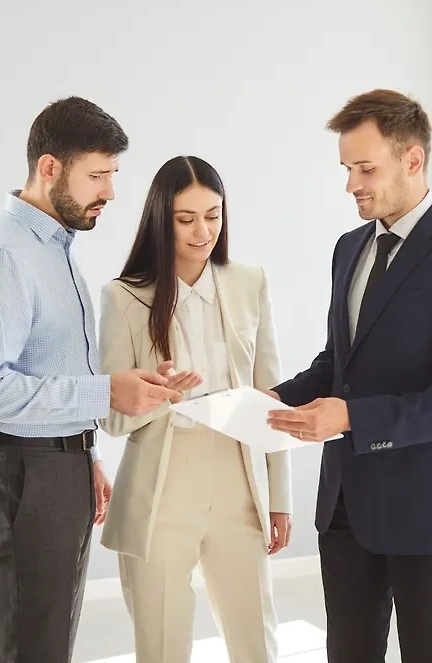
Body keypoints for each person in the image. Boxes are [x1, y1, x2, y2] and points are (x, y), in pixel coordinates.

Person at [266, 89, 432, 662]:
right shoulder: (349, 248)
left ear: (413, 160)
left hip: (428, 507)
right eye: (347, 169)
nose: (352, 184)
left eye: (366, 168)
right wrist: (274, 398)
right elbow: (339, 364)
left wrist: (352, 417)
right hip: (347, 504)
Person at [0, 96, 191, 663]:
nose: (109, 191)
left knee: (49, 643)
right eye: (98, 175)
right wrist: (107, 392)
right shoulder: (3, 256)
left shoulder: (54, 250)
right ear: (50, 168)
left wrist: (85, 454)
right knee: (36, 648)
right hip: (24, 475)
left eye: (113, 175)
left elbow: (47, 369)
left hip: (55, 470)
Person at [98, 155, 293, 663]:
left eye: (213, 214)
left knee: (257, 645)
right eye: (186, 219)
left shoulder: (251, 283)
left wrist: (280, 497)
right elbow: (113, 420)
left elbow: (273, 398)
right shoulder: (124, 297)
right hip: (161, 491)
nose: (202, 230)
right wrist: (158, 394)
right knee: (162, 647)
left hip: (239, 481)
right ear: (161, 220)